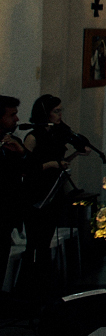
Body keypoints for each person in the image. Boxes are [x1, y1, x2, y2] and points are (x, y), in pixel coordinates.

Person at [22, 94, 90, 295]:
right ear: (45, 113)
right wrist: (52, 164)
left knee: (45, 240)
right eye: (56, 111)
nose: (60, 115)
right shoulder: (33, 137)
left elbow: (61, 162)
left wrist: (76, 153)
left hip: (53, 192)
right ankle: (30, 288)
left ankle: (45, 286)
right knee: (35, 242)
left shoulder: (54, 134)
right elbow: (27, 168)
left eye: (61, 111)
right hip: (36, 193)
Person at [0, 96, 27, 294]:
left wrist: (22, 154)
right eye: (12, 115)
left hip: (7, 216)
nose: (17, 120)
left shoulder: (13, 143)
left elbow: (30, 169)